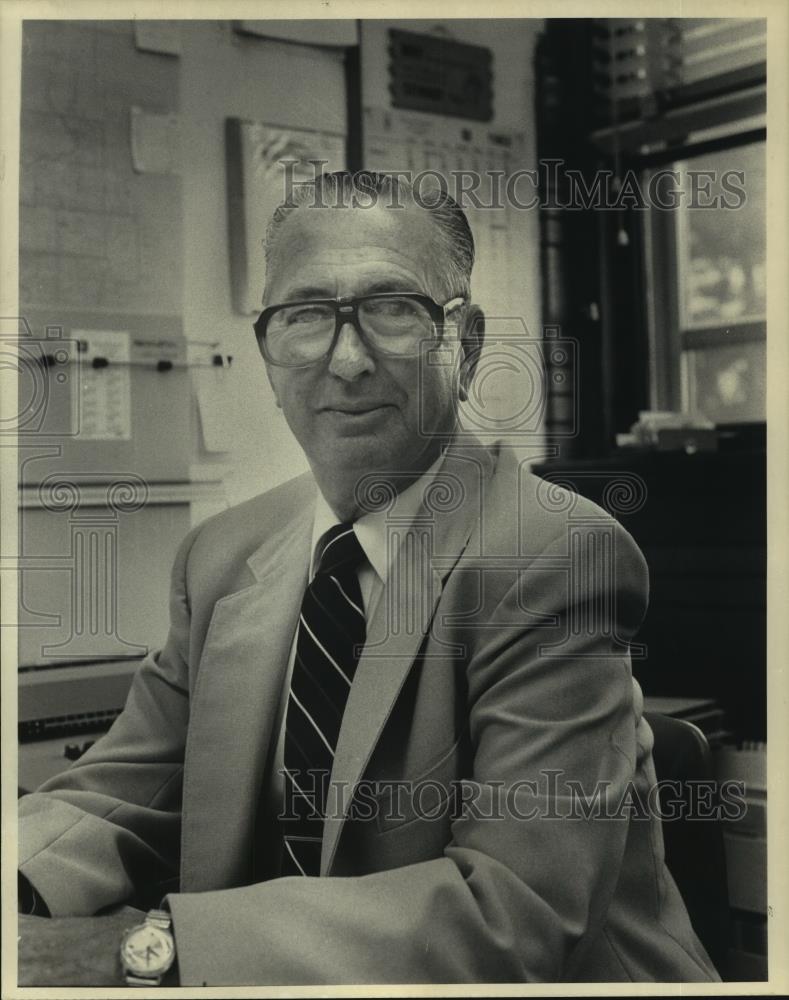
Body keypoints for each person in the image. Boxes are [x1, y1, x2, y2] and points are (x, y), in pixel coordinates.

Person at [18, 171, 719, 985]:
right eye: (307, 316)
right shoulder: (219, 556)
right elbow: (119, 792)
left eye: (393, 309)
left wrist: (144, 949)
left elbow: (516, 912)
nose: (346, 360)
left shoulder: (554, 555)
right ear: (267, 350)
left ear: (470, 341)